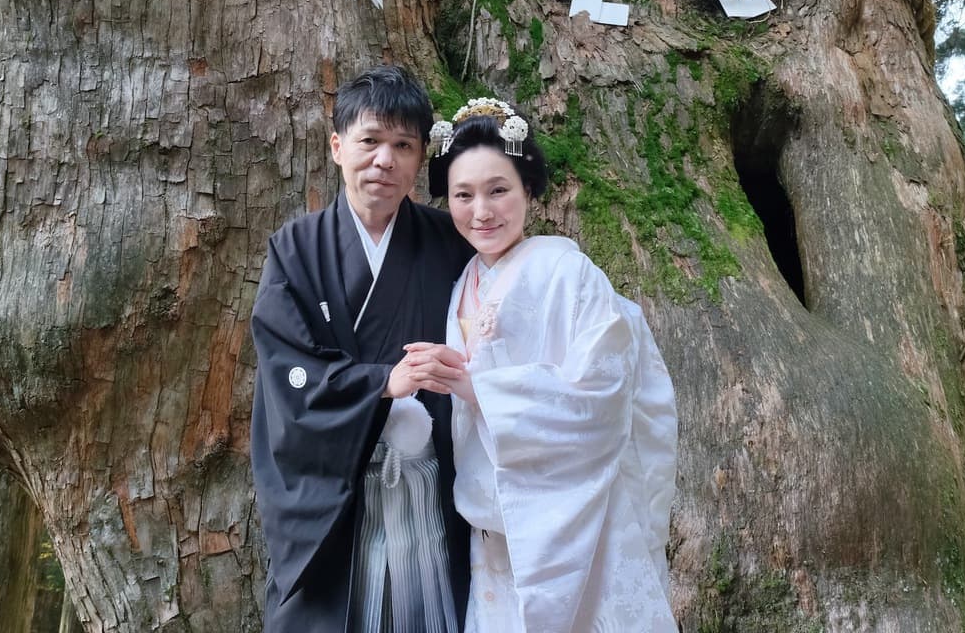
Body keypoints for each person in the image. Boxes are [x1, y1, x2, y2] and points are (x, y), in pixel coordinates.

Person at [423, 98, 679, 633]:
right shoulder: (463, 282)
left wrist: (479, 388)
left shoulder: (567, 272)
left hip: (576, 520)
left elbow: (601, 394)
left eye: (499, 190)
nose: (481, 211)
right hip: (497, 526)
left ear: (529, 189)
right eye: (463, 195)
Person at [250, 65, 477, 632]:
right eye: (370, 140)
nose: (385, 160)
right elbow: (287, 373)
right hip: (334, 496)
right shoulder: (295, 250)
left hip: (429, 488)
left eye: (403, 146)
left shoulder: (451, 242)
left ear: (420, 158)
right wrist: (382, 383)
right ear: (337, 147)